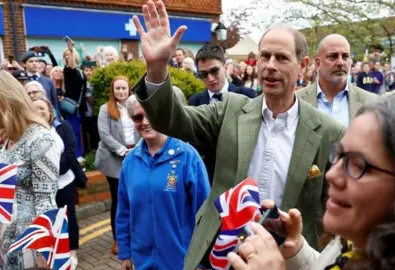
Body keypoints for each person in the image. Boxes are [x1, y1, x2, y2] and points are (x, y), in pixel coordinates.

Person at [131, 2, 346, 269]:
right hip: (220, 252)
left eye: (281, 58)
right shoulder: (230, 110)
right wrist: (157, 68)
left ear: (302, 65)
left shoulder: (329, 131)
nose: (269, 66)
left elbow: (333, 211)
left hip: (284, 259)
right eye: (264, 56)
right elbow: (171, 120)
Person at [227, 96, 395, 270]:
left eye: (358, 165)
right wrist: (296, 248)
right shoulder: (350, 241)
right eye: (338, 154)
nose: (331, 175)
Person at [0, 70, 60, 269]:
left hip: (30, 243)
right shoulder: (9, 137)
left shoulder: (41, 139)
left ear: (3, 100)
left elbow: (46, 199)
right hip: (8, 238)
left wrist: (44, 250)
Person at [116, 94, 210, 270]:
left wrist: (202, 260)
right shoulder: (130, 162)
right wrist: (125, 253)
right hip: (143, 261)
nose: (144, 122)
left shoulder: (188, 157)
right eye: (138, 117)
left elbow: (204, 213)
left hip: (182, 261)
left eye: (150, 115)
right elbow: (124, 211)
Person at [188, 44, 257, 184]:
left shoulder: (247, 96)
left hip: (240, 178)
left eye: (214, 71)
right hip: (207, 176)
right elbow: (193, 143)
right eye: (204, 74)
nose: (210, 78)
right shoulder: (195, 102)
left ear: (225, 67)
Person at [32, 97, 87, 268]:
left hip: (64, 183)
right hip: (40, 186)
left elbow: (69, 153)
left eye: (42, 108)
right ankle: (48, 253)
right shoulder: (27, 133)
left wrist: (47, 170)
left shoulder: (63, 127)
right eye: (35, 109)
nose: (39, 111)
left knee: (67, 218)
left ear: (50, 111)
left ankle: (71, 251)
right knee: (45, 220)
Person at [95, 76, 139, 255]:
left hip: (136, 155)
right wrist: (123, 150)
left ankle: (136, 235)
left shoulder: (136, 105)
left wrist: (137, 149)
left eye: (124, 88)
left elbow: (144, 127)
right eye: (117, 88)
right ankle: (118, 240)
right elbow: (104, 135)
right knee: (119, 201)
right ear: (112, 91)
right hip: (115, 159)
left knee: (136, 198)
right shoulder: (105, 109)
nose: (120, 91)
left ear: (129, 89)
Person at [297, 34, 379, 127]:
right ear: (318, 63)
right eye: (333, 56)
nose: (340, 62)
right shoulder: (296, 101)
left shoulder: (372, 102)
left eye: (345, 56)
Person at [63, 40, 86, 159]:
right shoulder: (67, 70)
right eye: (66, 55)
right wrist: (71, 49)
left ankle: (81, 153)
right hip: (71, 106)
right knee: (74, 131)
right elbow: (72, 65)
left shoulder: (80, 71)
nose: (68, 56)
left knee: (79, 131)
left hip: (79, 106)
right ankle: (76, 155)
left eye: (69, 54)